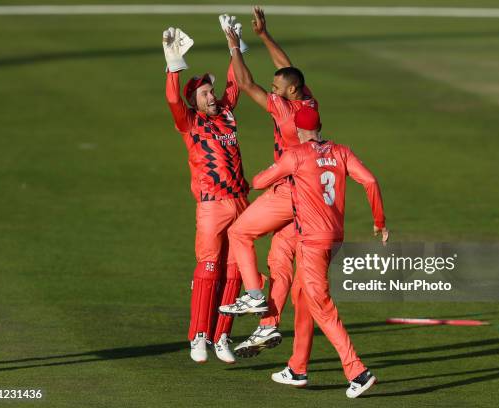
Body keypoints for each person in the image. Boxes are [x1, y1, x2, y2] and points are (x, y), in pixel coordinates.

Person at [252, 107, 389, 398]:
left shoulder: (296, 155)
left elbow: (258, 183)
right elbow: (370, 181)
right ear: (320, 125)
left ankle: (357, 371)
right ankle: (297, 368)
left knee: (322, 307)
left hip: (312, 244)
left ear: (299, 131)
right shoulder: (341, 151)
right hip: (335, 241)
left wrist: (277, 170)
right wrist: (380, 222)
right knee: (302, 297)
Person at [217, 8, 319, 358]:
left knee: (239, 234)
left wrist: (235, 47)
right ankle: (267, 326)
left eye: (277, 86)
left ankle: (254, 295)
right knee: (279, 262)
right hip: (309, 198)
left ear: (288, 91)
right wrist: (264, 36)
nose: (273, 87)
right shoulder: (307, 101)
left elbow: (246, 84)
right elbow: (287, 69)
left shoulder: (284, 110)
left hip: (287, 190)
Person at [162, 26, 249, 364]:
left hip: (241, 203)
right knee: (209, 269)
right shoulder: (190, 123)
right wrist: (173, 64)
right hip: (212, 205)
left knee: (237, 271)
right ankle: (198, 336)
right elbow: (172, 99)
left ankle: (221, 335)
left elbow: (236, 84)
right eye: (205, 94)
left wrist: (235, 48)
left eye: (212, 92)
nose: (212, 97)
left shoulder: (226, 113)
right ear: (194, 101)